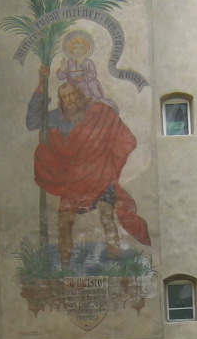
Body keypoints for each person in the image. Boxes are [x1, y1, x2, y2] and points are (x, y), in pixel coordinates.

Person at [26, 65, 151, 268]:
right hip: (73, 182)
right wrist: (41, 84)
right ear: (60, 101)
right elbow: (32, 122)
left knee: (107, 217)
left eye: (73, 95)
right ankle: (65, 267)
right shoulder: (57, 117)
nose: (70, 100)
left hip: (101, 178)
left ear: (80, 95)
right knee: (64, 223)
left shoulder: (99, 112)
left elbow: (124, 138)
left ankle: (116, 263)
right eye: (65, 97)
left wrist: (112, 162)